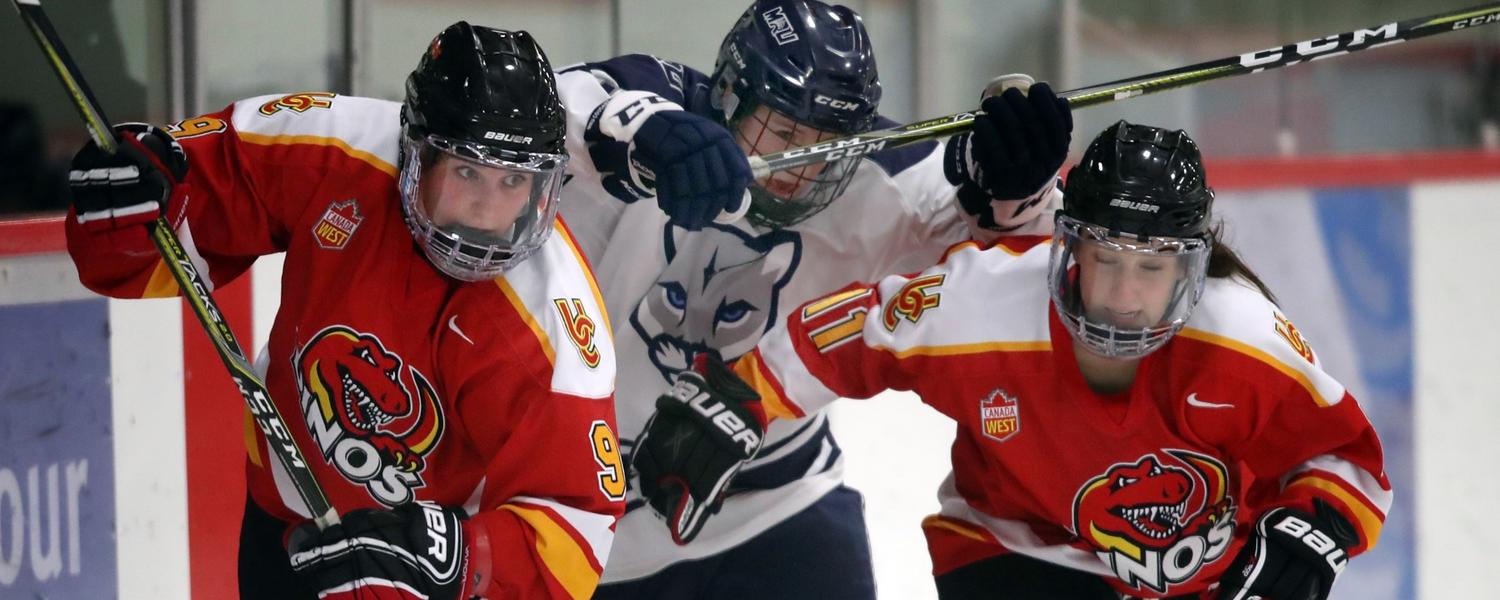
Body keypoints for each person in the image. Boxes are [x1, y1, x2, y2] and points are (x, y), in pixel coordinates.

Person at [638, 121, 1392, 599]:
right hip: (1013, 553)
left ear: (1192, 270)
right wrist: (736, 399)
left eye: (1152, 267)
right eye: (1106, 259)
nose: (1125, 295)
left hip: (1196, 577)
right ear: (1069, 248)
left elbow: (1346, 455)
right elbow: (847, 331)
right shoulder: (986, 299)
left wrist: (1311, 530)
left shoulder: (1241, 337)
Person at [64, 22, 624, 600]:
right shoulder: (340, 146)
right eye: (466, 172)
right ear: (414, 153)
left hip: (420, 580)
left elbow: (574, 526)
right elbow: (198, 182)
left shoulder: (553, 323)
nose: (486, 212)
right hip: (283, 531)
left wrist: (465, 557)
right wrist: (139, 190)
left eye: (514, 180)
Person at [550, 0, 1073, 597]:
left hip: (778, 502)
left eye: (828, 142)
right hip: (595, 517)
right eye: (784, 132)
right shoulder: (659, 103)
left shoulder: (879, 173)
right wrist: (639, 131)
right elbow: (544, 108)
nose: (802, 167)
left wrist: (1020, 191)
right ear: (728, 96)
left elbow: (1020, 261)